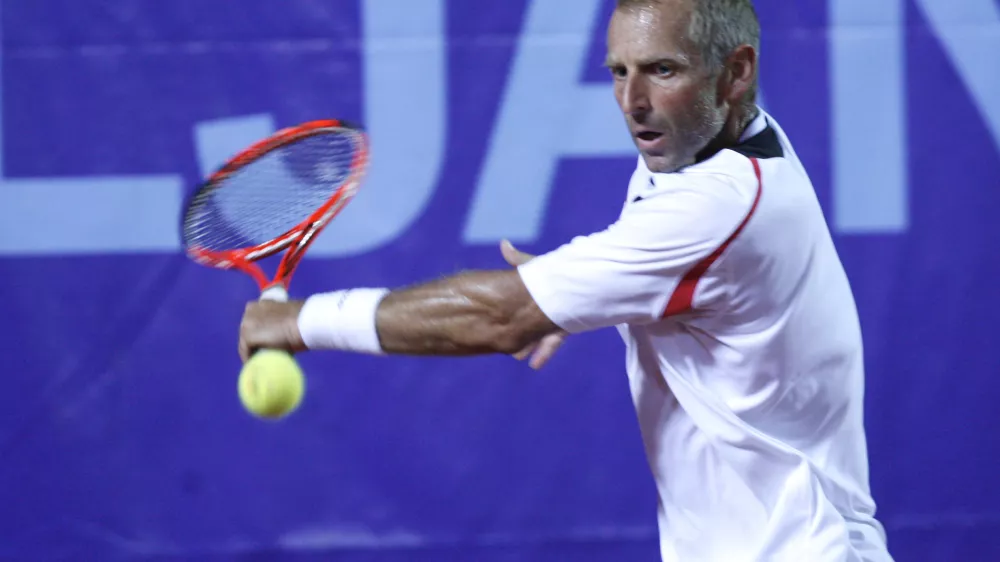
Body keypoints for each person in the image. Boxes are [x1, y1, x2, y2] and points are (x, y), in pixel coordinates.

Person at [238, 0, 893, 560]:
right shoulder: (719, 141)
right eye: (618, 72)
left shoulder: (724, 200)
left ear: (736, 73)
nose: (632, 102)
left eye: (662, 70)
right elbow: (681, 271)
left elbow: (500, 319)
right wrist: (572, 294)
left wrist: (297, 321)